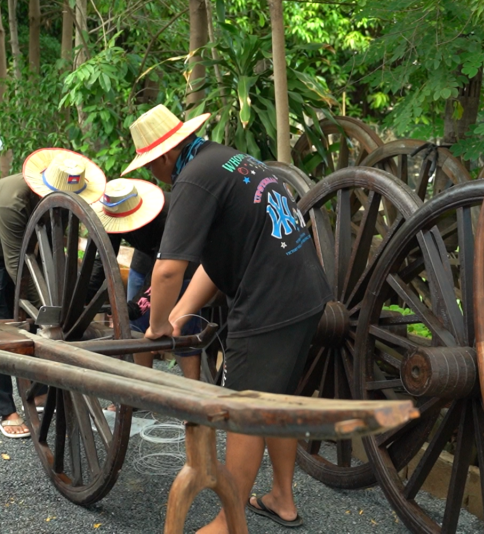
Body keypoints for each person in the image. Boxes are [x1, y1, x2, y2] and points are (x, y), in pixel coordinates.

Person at [122, 105, 332, 531]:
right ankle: (281, 499)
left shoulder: (193, 180)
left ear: (163, 156)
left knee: (243, 410)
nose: (156, 175)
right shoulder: (227, 160)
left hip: (269, 303)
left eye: (151, 165)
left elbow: (166, 270)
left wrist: (158, 325)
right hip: (306, 289)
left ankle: (227, 522)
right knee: (278, 401)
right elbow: (219, 261)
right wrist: (183, 312)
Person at [0, 148, 106, 438]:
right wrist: (49, 311)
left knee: (35, 320)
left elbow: (57, 250)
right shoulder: (13, 203)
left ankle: (37, 392)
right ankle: (4, 409)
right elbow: (18, 268)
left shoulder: (56, 202)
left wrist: (67, 299)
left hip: (19, 254)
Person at [93, 178, 203, 379]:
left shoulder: (169, 215)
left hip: (181, 258)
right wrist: (87, 302)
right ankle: (141, 389)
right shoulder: (112, 215)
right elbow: (104, 260)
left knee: (182, 326)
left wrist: (135, 307)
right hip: (144, 256)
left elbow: (166, 274)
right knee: (136, 326)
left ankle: (197, 396)